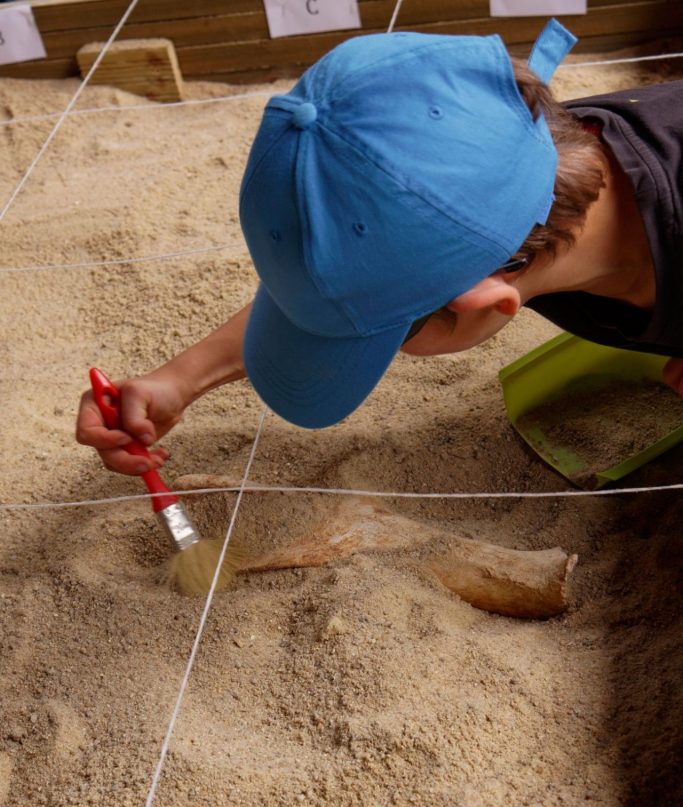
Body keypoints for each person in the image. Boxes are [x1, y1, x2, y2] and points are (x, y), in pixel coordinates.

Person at [76, 20, 683, 476]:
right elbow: (361, 276)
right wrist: (180, 380)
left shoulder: (507, 212)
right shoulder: (508, 151)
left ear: (485, 302)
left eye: (383, 337)